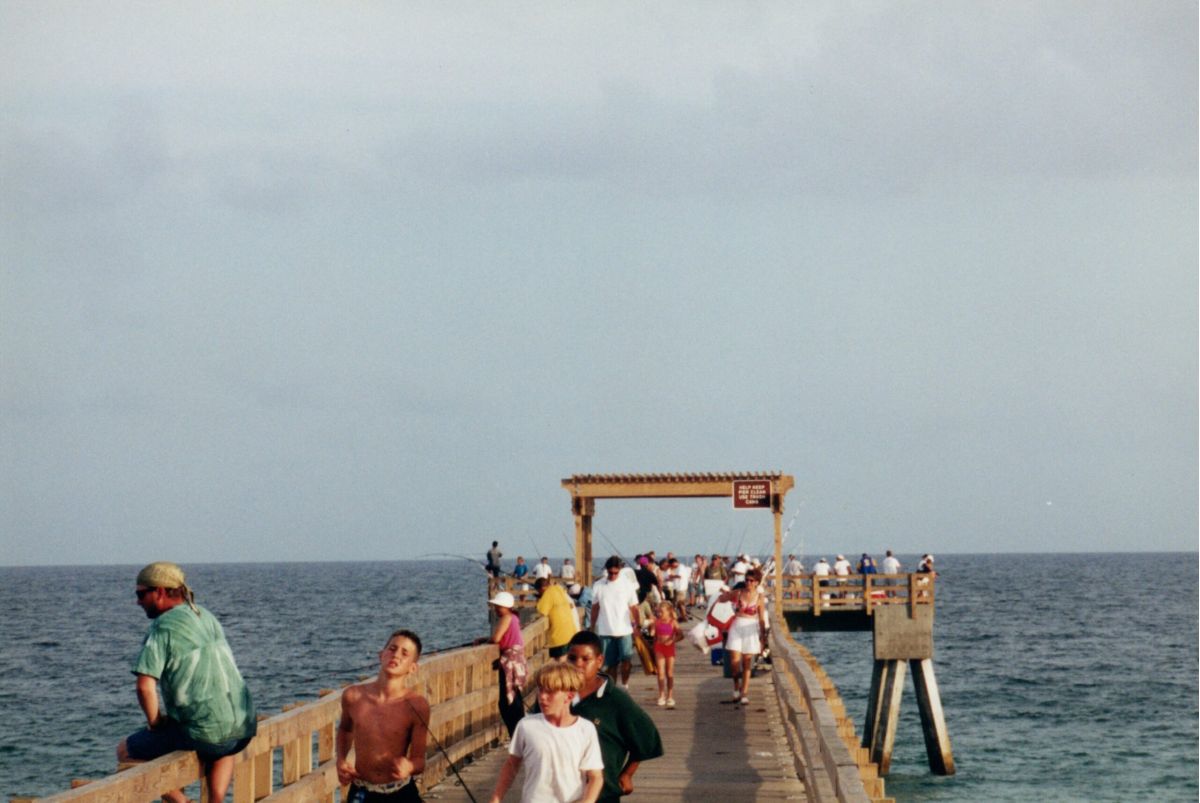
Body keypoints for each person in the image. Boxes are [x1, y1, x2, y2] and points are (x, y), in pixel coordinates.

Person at [117, 562, 256, 803]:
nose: (138, 601)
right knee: (223, 744)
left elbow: (144, 686)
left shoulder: (164, 626)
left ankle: (183, 802)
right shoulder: (204, 614)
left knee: (126, 752)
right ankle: (216, 800)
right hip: (242, 730)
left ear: (160, 591)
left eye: (141, 594)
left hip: (206, 734)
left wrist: (155, 722)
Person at [565, 632, 664, 802]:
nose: (578, 665)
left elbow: (646, 737)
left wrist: (627, 774)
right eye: (572, 658)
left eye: (585, 659)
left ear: (599, 661)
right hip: (560, 792)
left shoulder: (616, 700)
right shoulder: (554, 695)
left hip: (603, 794)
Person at [488, 663, 604, 803]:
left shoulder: (586, 729)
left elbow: (595, 777)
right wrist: (496, 798)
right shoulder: (526, 726)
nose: (542, 697)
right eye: (540, 690)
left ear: (569, 696)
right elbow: (511, 765)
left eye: (550, 692)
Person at [336, 630, 429, 802]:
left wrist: (409, 766)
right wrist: (341, 760)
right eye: (392, 649)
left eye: (405, 653)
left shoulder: (417, 705)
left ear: (413, 668)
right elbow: (345, 730)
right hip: (362, 790)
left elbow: (419, 761)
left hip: (399, 791)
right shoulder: (353, 696)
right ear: (381, 655)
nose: (396, 655)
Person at [719, 567, 770, 705]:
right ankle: (736, 686)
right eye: (746, 580)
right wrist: (724, 595)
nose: (748, 582)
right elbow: (722, 598)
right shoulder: (738, 593)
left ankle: (744, 692)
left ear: (756, 582)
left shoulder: (759, 597)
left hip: (751, 628)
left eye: (751, 580)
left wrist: (763, 637)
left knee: (747, 663)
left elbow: (761, 618)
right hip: (737, 626)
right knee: (734, 663)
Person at [589, 556, 641, 688]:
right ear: (606, 570)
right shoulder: (598, 585)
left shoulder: (627, 584)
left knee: (626, 659)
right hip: (606, 631)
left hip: (625, 630)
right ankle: (612, 688)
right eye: (610, 573)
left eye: (615, 573)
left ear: (620, 570)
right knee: (610, 664)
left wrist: (637, 627)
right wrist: (592, 626)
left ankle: (625, 685)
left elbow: (634, 607)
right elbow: (595, 607)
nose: (612, 575)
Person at [488, 591, 527, 736]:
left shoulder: (506, 617)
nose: (496, 609)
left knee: (506, 701)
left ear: (506, 607)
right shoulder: (514, 618)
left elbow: (497, 638)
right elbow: (505, 636)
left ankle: (516, 734)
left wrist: (488, 640)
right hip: (516, 659)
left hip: (510, 661)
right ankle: (518, 732)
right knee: (514, 696)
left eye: (498, 606)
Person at [536, 577, 580, 660]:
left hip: (559, 636)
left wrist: (540, 599)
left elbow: (541, 611)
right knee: (567, 660)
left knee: (561, 661)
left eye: (539, 592)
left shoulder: (548, 593)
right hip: (570, 632)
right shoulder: (558, 588)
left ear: (542, 588)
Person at [651, 602, 682, 708]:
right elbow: (652, 634)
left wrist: (673, 639)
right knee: (660, 672)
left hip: (669, 648)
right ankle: (661, 695)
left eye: (662, 612)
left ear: (669, 611)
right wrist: (651, 625)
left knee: (669, 673)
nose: (660, 613)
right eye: (658, 611)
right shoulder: (657, 622)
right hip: (659, 647)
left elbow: (681, 635)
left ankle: (670, 696)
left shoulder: (673, 622)